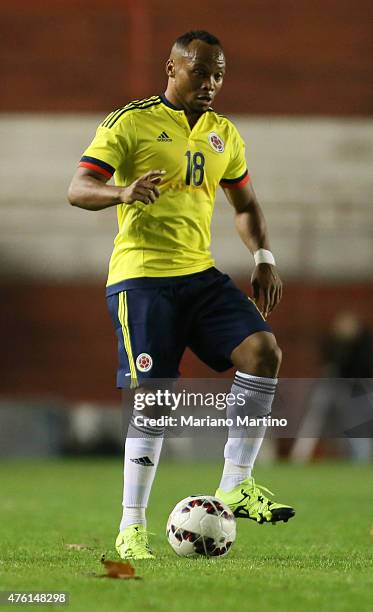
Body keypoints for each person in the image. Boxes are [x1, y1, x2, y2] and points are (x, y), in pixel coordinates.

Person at [68, 30, 295, 560]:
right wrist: (121, 191)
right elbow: (78, 188)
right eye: (201, 72)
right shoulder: (131, 122)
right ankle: (132, 528)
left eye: (218, 75)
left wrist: (264, 258)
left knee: (263, 351)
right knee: (156, 401)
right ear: (171, 69)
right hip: (142, 278)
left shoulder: (224, 134)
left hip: (199, 275)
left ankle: (236, 483)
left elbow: (245, 206)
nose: (211, 84)